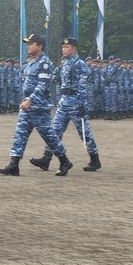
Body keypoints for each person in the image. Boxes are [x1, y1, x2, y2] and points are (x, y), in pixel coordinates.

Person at [0, 34, 73, 177]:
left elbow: (42, 85)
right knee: (19, 134)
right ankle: (14, 164)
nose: (28, 46)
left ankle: (64, 161)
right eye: (27, 43)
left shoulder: (45, 63)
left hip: (39, 107)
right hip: (27, 106)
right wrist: (25, 100)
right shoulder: (30, 63)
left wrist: (30, 100)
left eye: (31, 43)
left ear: (39, 46)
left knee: (49, 136)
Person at [31, 37, 101, 173]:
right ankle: (46, 158)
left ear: (74, 48)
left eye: (67, 47)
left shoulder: (79, 64)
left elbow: (82, 86)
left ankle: (95, 159)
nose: (64, 49)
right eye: (63, 47)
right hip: (64, 102)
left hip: (75, 102)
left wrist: (82, 104)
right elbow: (54, 78)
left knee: (84, 133)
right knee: (54, 130)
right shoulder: (63, 64)